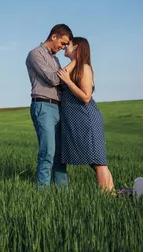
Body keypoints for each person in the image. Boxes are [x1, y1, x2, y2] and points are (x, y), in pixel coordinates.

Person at [56, 37, 115, 193]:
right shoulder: (76, 66)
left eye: (68, 44)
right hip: (76, 120)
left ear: (76, 47)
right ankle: (112, 193)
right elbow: (59, 75)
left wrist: (68, 82)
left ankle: (107, 197)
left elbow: (86, 97)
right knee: (93, 160)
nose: (64, 47)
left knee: (97, 161)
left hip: (86, 119)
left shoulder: (85, 68)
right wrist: (74, 61)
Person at [25, 24, 73, 187]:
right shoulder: (35, 54)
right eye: (62, 43)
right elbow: (53, 79)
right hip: (43, 106)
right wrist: (74, 62)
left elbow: (63, 83)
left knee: (60, 154)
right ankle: (43, 193)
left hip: (59, 107)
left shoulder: (56, 59)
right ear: (54, 36)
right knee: (48, 152)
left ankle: (62, 194)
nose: (63, 47)